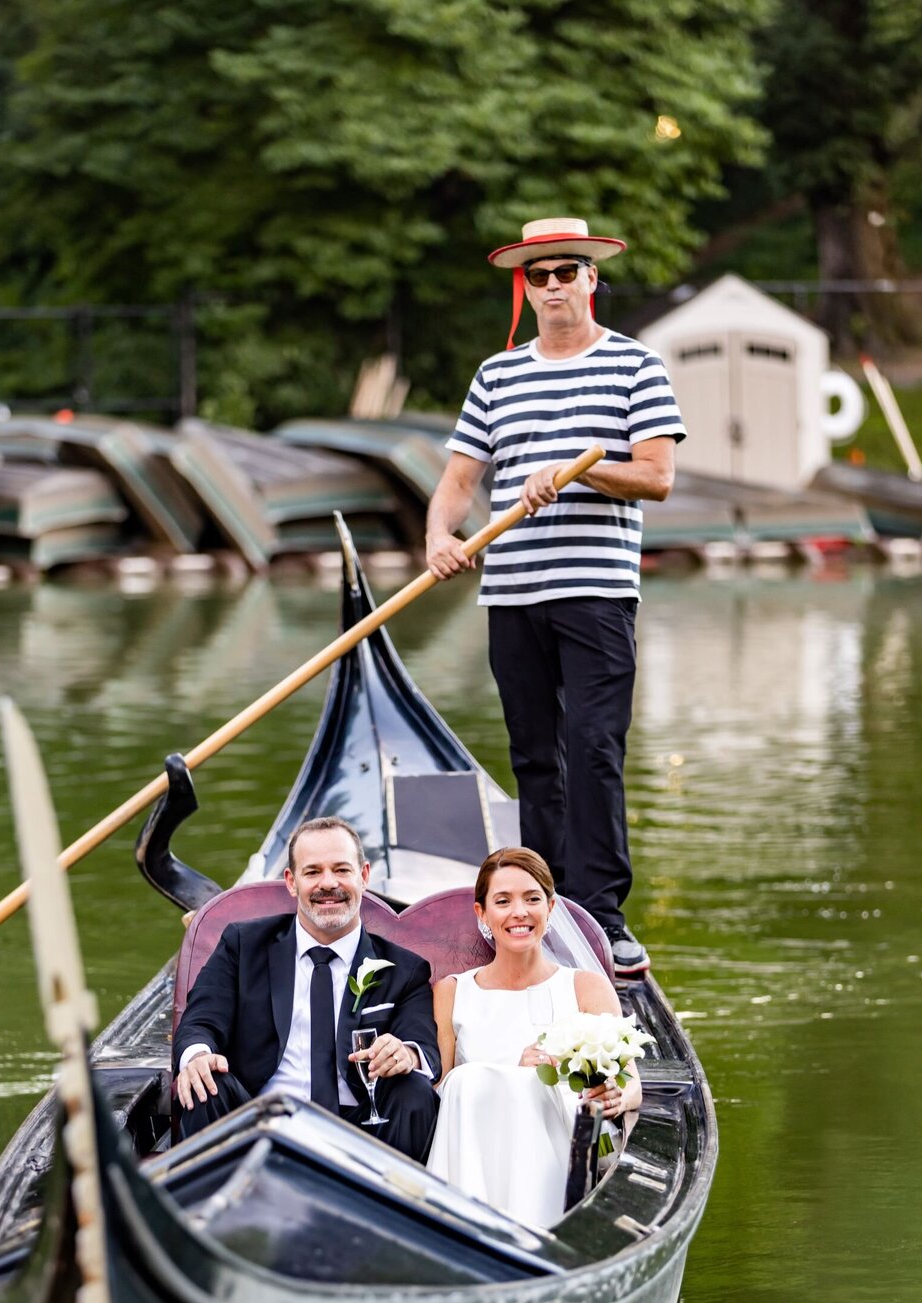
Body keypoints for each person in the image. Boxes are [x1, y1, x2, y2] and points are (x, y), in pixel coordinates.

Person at [425, 216, 687, 976]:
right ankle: (538, 907)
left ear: (591, 279)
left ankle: (602, 914)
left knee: (593, 749)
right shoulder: (496, 375)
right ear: (526, 286)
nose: (551, 286)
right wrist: (441, 537)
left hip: (598, 592)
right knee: (535, 757)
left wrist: (580, 470)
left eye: (565, 272)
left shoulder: (635, 367)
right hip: (512, 593)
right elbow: (459, 482)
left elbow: (657, 476)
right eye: (537, 276)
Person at [173, 816, 440, 1162]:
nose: (328, 884)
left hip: (364, 1132)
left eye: (342, 870)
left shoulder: (404, 970)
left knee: (412, 1090)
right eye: (313, 872)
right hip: (258, 1120)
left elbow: (424, 1048)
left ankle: (388, 1210)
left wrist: (405, 1053)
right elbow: (200, 1022)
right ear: (291, 882)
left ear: (364, 876)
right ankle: (217, 1207)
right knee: (205, 1082)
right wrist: (196, 1057)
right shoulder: (242, 945)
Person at [426, 847, 640, 1230]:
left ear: (551, 906)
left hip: (560, 1146)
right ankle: (466, 1228)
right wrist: (509, 1075)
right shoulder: (452, 991)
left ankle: (537, 1229)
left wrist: (615, 1095)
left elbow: (633, 1085)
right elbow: (441, 1086)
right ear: (482, 913)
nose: (519, 912)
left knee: (533, 1084)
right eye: (503, 901)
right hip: (476, 1144)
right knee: (467, 1080)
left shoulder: (586, 987)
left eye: (532, 899)